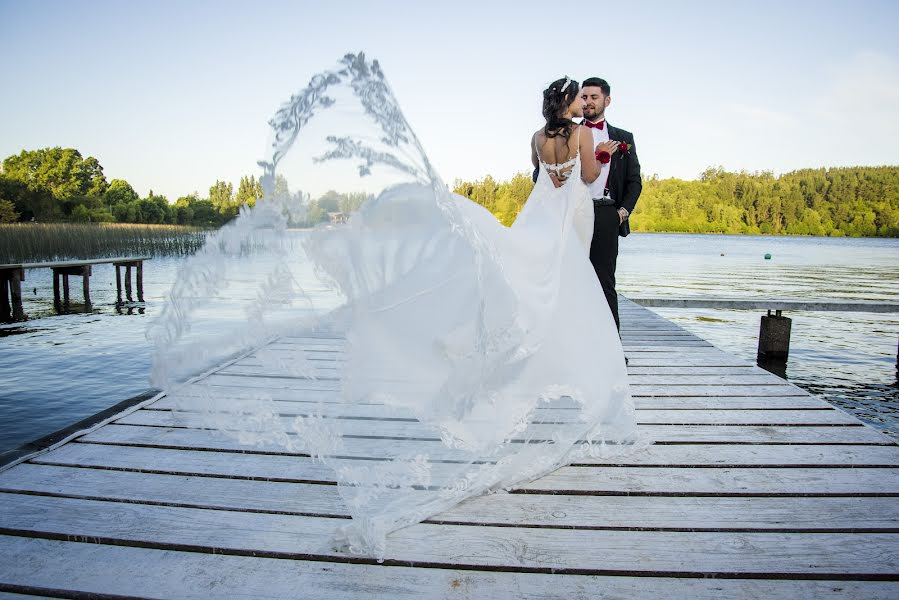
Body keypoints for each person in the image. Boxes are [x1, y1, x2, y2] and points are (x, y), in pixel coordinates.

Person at [153, 56, 640, 558]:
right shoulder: (583, 136)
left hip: (540, 212)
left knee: (529, 278)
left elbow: (544, 176)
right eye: (577, 98)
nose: (583, 103)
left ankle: (521, 346)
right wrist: (600, 155)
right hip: (571, 215)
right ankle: (573, 362)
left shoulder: (537, 139)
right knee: (569, 285)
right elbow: (582, 178)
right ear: (569, 103)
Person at [581, 77, 642, 331]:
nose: (588, 102)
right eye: (584, 97)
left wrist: (623, 212)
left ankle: (612, 350)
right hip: (575, 213)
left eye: (594, 97)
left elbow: (634, 181)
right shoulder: (569, 134)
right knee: (572, 279)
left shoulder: (623, 138)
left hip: (608, 213)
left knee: (605, 282)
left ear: (607, 100)